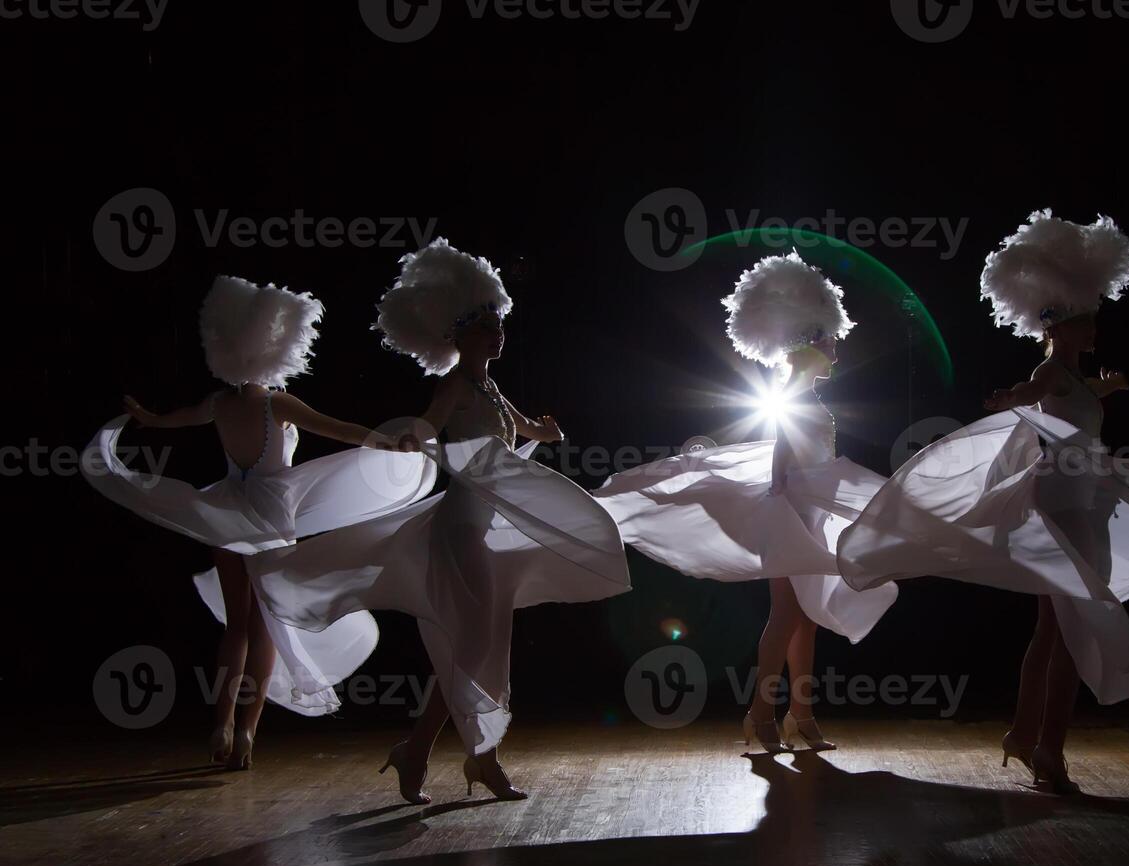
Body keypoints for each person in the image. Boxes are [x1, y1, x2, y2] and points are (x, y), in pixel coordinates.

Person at [837, 211, 1129, 793]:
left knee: (1053, 628)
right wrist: (1009, 397)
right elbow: (1035, 392)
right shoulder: (1049, 370)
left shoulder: (1076, 378)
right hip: (1061, 503)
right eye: (1084, 322)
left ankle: (1024, 735)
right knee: (1074, 622)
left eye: (1094, 320)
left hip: (1085, 499)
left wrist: (1110, 388)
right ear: (1060, 325)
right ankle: (1049, 750)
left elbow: (1078, 399)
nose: (1093, 330)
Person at [249, 240, 631, 802]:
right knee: (475, 640)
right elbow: (430, 424)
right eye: (485, 324)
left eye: (500, 322)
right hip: (459, 528)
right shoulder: (454, 384)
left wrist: (544, 433)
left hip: (485, 528)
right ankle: (448, 753)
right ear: (458, 333)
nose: (499, 331)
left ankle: (451, 754)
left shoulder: (491, 387)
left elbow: (520, 427)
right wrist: (415, 438)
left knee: (485, 640)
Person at [86, 275, 436, 769]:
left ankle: (222, 722)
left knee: (236, 626)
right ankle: (248, 733)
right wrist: (391, 442)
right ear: (278, 350)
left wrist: (146, 417)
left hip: (227, 514)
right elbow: (342, 431)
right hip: (272, 519)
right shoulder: (278, 404)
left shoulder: (220, 405)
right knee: (266, 625)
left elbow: (174, 420)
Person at [597, 252, 898, 753]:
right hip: (793, 512)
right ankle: (761, 716)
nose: (838, 354)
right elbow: (784, 443)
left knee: (804, 617)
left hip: (810, 510)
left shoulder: (804, 390)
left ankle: (799, 715)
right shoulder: (797, 390)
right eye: (831, 343)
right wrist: (783, 487)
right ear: (809, 344)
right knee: (788, 614)